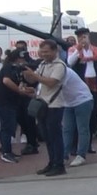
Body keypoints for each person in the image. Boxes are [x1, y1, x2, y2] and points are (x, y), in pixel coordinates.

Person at [22, 40, 69, 177]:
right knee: (47, 136)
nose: (44, 54)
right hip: (43, 103)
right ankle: (52, 162)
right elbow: (35, 81)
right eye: (42, 52)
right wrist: (27, 75)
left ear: (55, 51)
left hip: (55, 104)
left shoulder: (60, 65)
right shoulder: (42, 64)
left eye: (47, 52)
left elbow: (51, 82)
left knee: (55, 136)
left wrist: (35, 75)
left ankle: (59, 164)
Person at [0, 49, 34, 163]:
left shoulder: (17, 69)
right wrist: (19, 91)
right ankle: (5, 152)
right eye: (21, 58)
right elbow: (6, 81)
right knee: (7, 126)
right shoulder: (8, 67)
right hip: (3, 101)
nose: (23, 60)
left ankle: (8, 151)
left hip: (10, 101)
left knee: (10, 126)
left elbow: (21, 82)